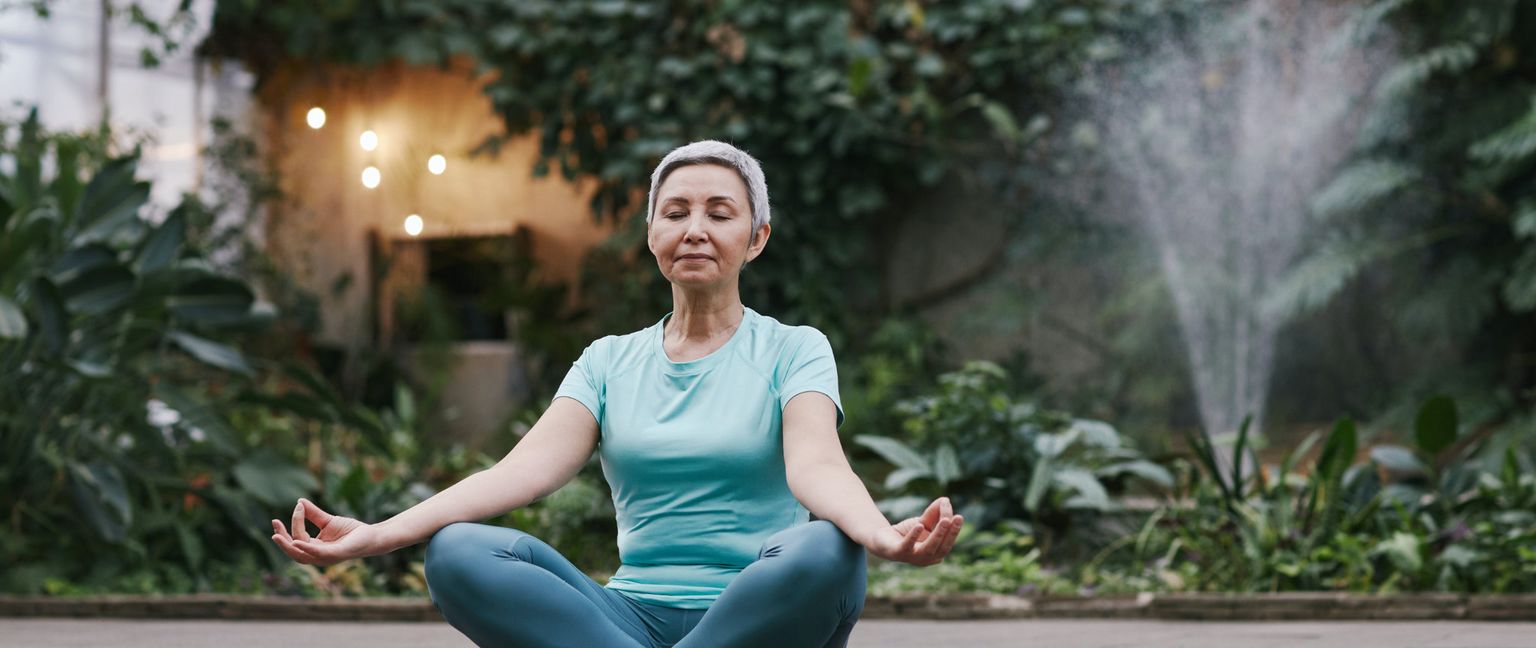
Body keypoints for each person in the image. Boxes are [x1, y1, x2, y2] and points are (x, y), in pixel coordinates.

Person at [269, 140, 963, 647]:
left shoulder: (793, 348)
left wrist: (881, 535)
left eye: (719, 213)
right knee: (458, 552)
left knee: (827, 550)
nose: (695, 228)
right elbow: (519, 473)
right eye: (676, 212)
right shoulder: (608, 361)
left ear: (756, 239)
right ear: (653, 234)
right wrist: (377, 536)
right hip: (622, 621)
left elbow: (815, 466)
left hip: (760, 613)